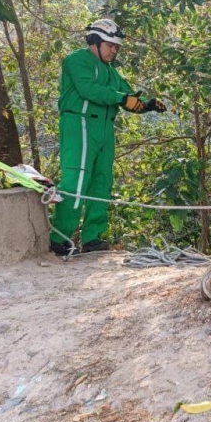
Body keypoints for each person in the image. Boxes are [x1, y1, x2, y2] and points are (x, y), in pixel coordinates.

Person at [49, 19, 167, 256]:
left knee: (102, 182)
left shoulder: (112, 72)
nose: (114, 50)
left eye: (116, 46)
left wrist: (147, 105)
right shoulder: (76, 60)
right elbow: (88, 89)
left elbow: (128, 97)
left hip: (104, 129)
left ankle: (92, 238)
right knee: (77, 179)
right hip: (79, 124)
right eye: (110, 45)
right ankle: (58, 238)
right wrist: (123, 99)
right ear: (95, 41)